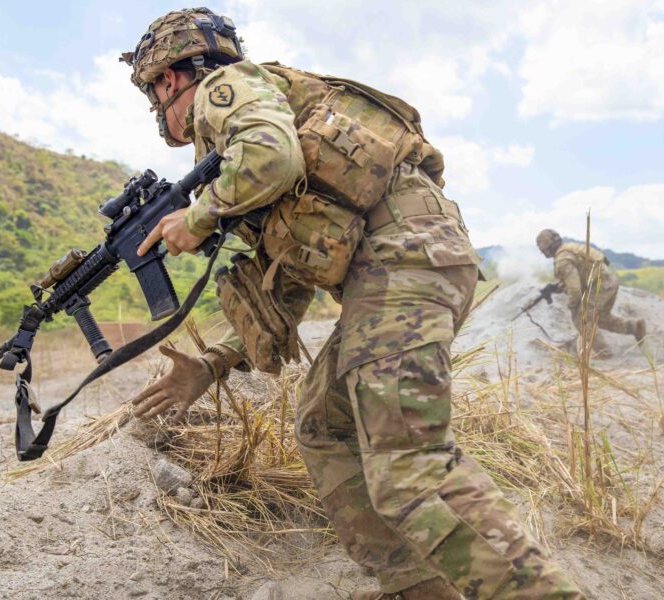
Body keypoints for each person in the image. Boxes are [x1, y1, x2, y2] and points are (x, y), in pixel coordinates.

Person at [124, 8, 584, 599]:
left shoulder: (224, 90)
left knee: (408, 467)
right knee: (323, 425)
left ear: (169, 80)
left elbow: (274, 157)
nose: (161, 113)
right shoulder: (239, 149)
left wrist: (198, 215)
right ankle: (421, 587)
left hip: (401, 263)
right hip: (402, 268)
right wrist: (213, 363)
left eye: (156, 95)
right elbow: (283, 285)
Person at [535, 229, 646, 355]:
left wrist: (572, 306)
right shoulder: (570, 248)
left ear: (546, 248)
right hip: (608, 281)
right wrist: (558, 288)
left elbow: (575, 290)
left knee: (581, 318)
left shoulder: (562, 261)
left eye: (542, 250)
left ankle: (604, 353)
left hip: (599, 285)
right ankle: (634, 327)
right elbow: (580, 274)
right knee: (601, 318)